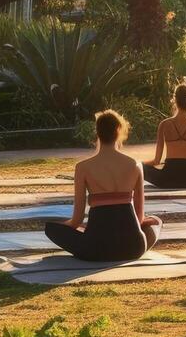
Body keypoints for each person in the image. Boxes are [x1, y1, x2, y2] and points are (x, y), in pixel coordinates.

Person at [44, 111, 161, 262]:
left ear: (97, 133)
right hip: (133, 247)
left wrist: (63, 228)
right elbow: (139, 218)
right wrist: (148, 221)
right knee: (157, 222)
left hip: (96, 248)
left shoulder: (83, 168)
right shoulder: (135, 165)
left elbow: (77, 220)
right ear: (119, 131)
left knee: (50, 229)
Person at [144, 82, 186, 189]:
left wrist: (138, 164)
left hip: (168, 179)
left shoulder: (164, 125)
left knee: (140, 167)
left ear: (174, 101)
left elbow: (156, 161)